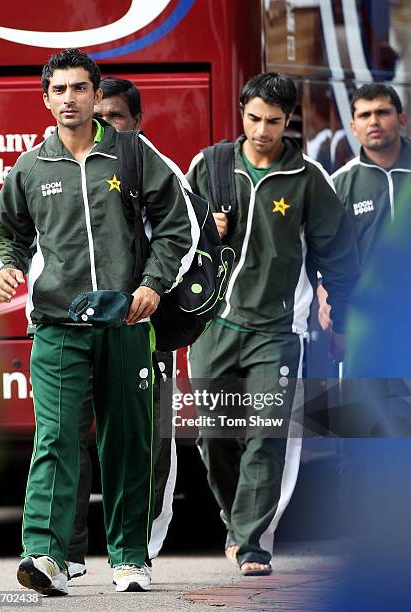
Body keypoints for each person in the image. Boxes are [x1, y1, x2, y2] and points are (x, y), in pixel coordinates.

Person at [0, 48, 197, 596]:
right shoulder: (31, 167)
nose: (69, 99)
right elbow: (5, 230)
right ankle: (47, 555)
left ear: (95, 94)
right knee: (56, 438)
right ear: (46, 98)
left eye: (79, 88)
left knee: (127, 442)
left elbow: (179, 226)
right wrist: (7, 266)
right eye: (58, 90)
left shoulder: (131, 154)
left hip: (126, 322)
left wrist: (153, 283)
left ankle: (129, 556)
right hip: (57, 325)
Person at [186, 72, 359, 576]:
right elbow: (174, 237)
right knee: (214, 435)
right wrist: (204, 228)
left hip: (278, 331)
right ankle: (235, 518)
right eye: (254, 118)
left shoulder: (308, 178)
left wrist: (340, 313)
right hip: (213, 325)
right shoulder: (211, 164)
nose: (262, 130)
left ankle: (251, 543)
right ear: (242, 112)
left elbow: (339, 256)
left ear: (289, 121)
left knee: (266, 434)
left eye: (274, 121)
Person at [66, 76, 177, 580]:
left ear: (136, 121)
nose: (103, 123)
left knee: (140, 441)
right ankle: (65, 553)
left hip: (138, 325)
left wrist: (151, 288)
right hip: (74, 327)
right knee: (68, 436)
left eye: (115, 116)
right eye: (100, 113)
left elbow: (181, 233)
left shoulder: (145, 161)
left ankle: (135, 547)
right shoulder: (57, 165)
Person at [318, 82, 410, 332]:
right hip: (367, 321)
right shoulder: (338, 184)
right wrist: (323, 294)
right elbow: (325, 253)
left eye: (382, 112)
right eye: (364, 115)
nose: (374, 122)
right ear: (353, 127)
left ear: (402, 119)